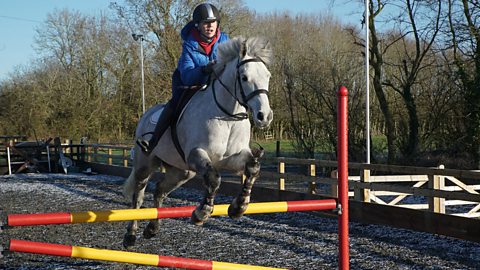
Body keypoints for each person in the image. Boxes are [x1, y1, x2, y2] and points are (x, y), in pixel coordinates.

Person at [137, 3, 229, 154]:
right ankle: (153, 141)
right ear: (198, 25)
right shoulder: (189, 45)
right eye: (205, 23)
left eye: (212, 22)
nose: (210, 26)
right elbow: (187, 75)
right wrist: (205, 69)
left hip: (214, 85)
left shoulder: (225, 40)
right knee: (175, 104)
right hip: (188, 84)